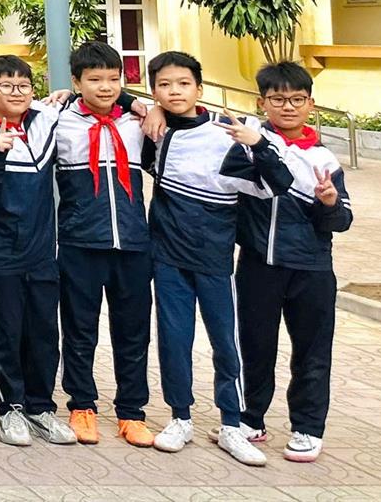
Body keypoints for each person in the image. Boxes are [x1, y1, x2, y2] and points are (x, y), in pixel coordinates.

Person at [140, 50, 268, 465]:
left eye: (183, 84)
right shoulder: (154, 130)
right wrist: (152, 109)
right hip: (168, 256)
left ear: (199, 87)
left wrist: (259, 145)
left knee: (226, 342)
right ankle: (180, 417)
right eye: (164, 86)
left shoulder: (229, 129)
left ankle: (232, 423)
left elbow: (271, 178)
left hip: (216, 257)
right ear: (154, 91)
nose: (174, 92)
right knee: (174, 339)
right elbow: (111, 95)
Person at [222, 61, 351, 464]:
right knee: (255, 345)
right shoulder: (247, 144)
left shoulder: (325, 158)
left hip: (312, 269)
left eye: (297, 99)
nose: (288, 107)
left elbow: (342, 221)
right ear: (262, 102)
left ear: (311, 104)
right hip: (259, 264)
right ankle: (250, 419)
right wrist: (260, 146)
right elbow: (246, 180)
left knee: (312, 352)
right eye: (278, 99)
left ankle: (308, 428)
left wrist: (329, 203)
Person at [0, 55, 75, 448]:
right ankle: (9, 406)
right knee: (5, 333)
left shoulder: (45, 119)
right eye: (6, 86)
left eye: (23, 85)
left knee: (44, 332)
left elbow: (97, 94)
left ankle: (41, 406)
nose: (16, 93)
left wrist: (137, 104)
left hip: (41, 250)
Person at [52, 41, 156, 448]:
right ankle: (82, 405)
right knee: (80, 330)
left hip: (133, 243)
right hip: (80, 243)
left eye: (114, 79)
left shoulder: (138, 122)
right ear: (76, 81)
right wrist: (60, 99)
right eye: (94, 79)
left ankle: (132, 412)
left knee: (134, 333)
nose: (106, 87)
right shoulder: (60, 122)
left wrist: (143, 105)